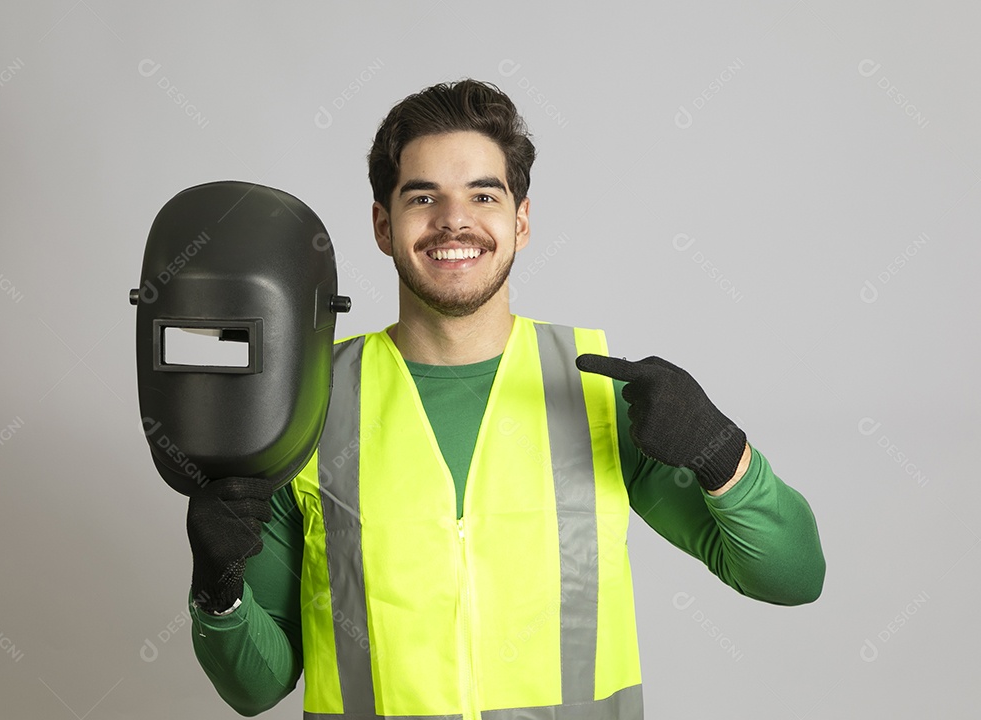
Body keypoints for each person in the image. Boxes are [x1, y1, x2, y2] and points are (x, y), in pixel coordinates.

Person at [185, 79, 825, 719]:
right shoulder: (307, 406)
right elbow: (257, 689)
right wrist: (217, 591)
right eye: (423, 197)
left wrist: (723, 455)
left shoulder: (599, 396)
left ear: (520, 222)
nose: (453, 219)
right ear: (383, 226)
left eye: (483, 195)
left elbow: (793, 579)